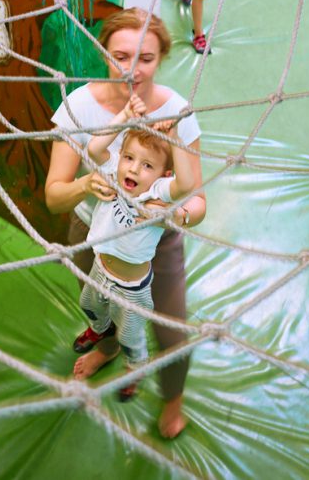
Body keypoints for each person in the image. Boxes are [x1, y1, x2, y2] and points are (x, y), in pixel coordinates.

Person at [45, 7, 205, 438]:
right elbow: (54, 195)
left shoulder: (176, 111)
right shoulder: (78, 107)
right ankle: (111, 347)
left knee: (171, 325)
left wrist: (174, 214)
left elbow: (197, 198)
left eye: (146, 59)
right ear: (104, 54)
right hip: (92, 234)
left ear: (161, 59)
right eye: (120, 56)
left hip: (155, 240)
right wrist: (85, 187)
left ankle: (173, 400)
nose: (132, 69)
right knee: (101, 308)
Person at [76, 97, 196, 402]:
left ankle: (134, 367)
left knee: (131, 337)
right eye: (129, 158)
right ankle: (101, 332)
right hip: (100, 269)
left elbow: (185, 184)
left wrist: (173, 138)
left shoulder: (157, 194)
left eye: (147, 166)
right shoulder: (114, 173)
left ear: (161, 175)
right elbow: (92, 149)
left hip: (132, 289)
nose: (133, 169)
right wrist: (125, 114)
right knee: (88, 305)